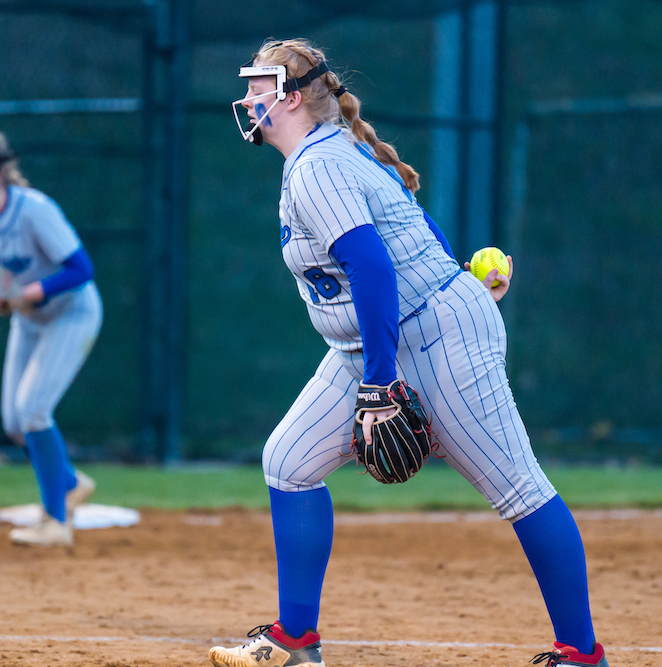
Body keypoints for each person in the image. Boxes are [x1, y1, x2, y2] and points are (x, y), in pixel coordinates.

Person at [208, 39, 609, 667]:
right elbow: (409, 231)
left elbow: (372, 268)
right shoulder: (324, 156)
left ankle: (581, 655)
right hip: (372, 341)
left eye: (259, 86)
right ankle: (295, 640)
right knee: (288, 460)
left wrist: (379, 384)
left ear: (289, 97)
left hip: (432, 336)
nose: (250, 98)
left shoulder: (319, 165)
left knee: (519, 489)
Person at [0, 129, 101, 547]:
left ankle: (56, 522)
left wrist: (23, 295)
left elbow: (80, 269)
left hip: (72, 313)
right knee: (16, 424)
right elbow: (0, 277)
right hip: (30, 319)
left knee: (34, 409)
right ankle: (68, 485)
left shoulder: (33, 209)